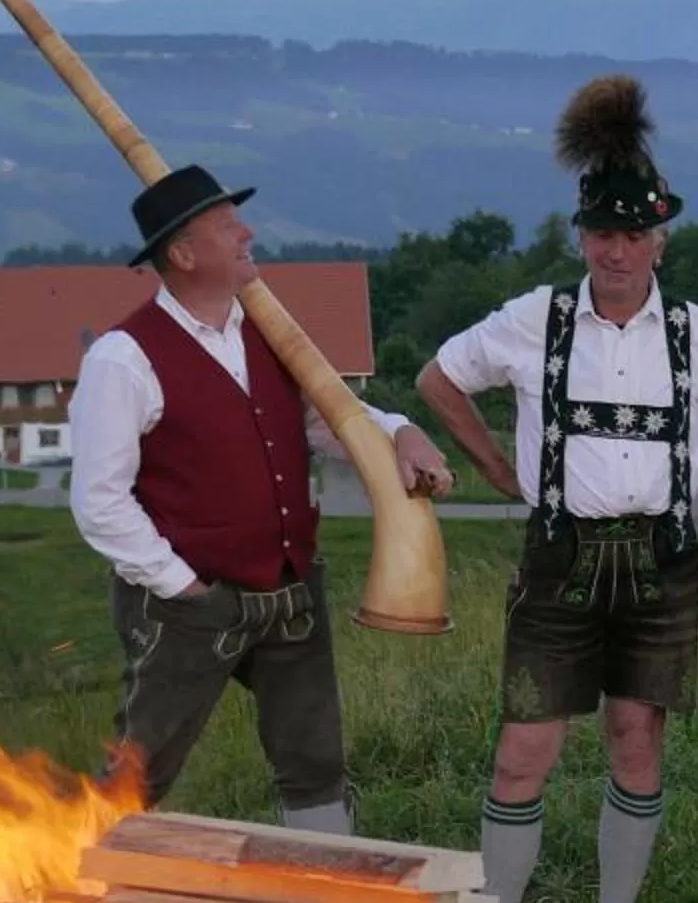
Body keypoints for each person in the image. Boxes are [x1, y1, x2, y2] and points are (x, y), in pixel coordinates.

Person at [420, 76, 698, 903]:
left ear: (660, 238)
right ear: (582, 236)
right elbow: (438, 377)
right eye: (603, 233)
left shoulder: (696, 333)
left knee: (636, 740)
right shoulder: (538, 319)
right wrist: (498, 466)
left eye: (634, 233)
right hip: (561, 561)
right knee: (525, 749)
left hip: (661, 563)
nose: (617, 250)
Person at [69, 163, 449, 822]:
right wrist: (183, 588)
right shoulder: (123, 358)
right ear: (184, 255)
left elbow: (327, 418)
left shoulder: (269, 328)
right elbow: (99, 502)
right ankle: (72, 900)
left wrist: (403, 431)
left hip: (289, 585)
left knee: (316, 763)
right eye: (226, 227)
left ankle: (328, 896)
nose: (247, 232)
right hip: (189, 603)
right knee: (141, 769)